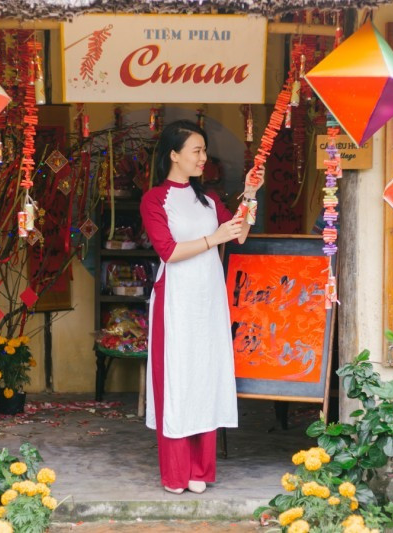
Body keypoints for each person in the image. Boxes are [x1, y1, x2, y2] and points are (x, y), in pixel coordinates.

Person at [139, 120, 263, 495]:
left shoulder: (208, 200)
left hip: (208, 299)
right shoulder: (154, 199)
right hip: (176, 299)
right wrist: (212, 239)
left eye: (204, 151)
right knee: (178, 378)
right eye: (196, 151)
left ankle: (200, 470)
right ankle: (175, 471)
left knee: (205, 377)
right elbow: (169, 251)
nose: (203, 158)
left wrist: (251, 196)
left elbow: (238, 232)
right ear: (173, 155)